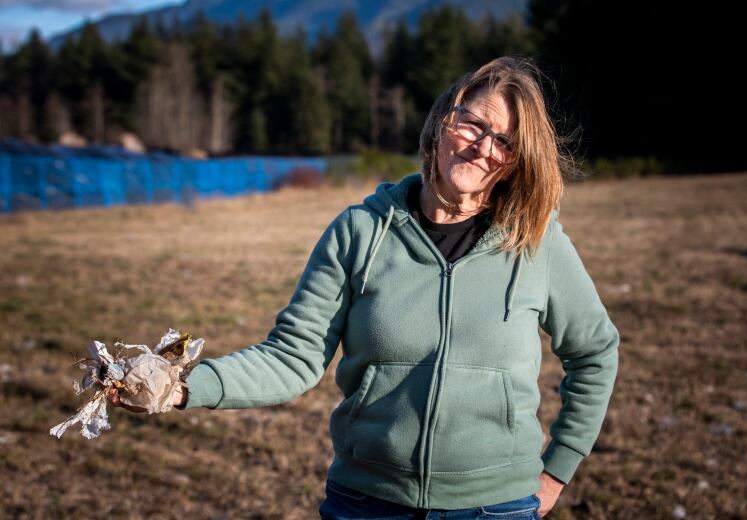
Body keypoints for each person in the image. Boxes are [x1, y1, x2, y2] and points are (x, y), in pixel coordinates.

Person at [110, 56, 620, 519]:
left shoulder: (537, 242)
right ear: (443, 122)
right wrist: (183, 387)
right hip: (368, 503)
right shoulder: (360, 232)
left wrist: (558, 468)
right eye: (474, 123)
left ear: (517, 159)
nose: (484, 148)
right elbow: (293, 357)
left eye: (505, 141)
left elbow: (595, 350)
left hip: (495, 506)